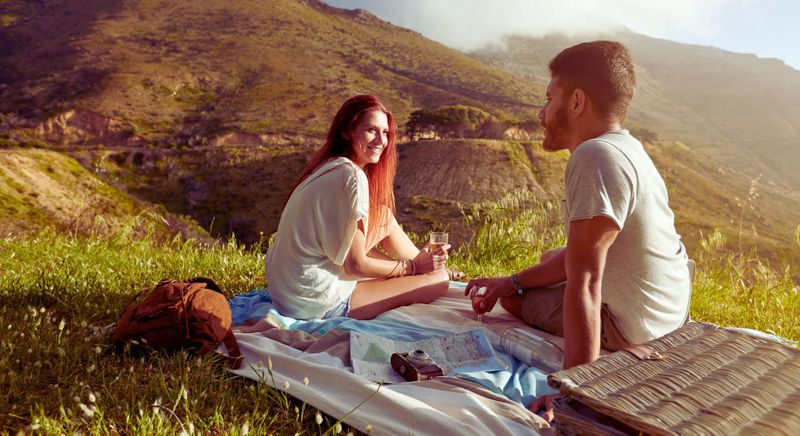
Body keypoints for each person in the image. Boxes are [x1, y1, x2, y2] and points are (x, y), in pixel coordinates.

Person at [467, 41, 691, 412]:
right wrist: (512, 277)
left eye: (548, 97)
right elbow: (579, 256)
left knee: (516, 300)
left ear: (575, 102)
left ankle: (599, 351)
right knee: (551, 258)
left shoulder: (594, 156)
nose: (541, 113)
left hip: (637, 327)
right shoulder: (627, 148)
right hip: (669, 310)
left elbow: (585, 279)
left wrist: (574, 393)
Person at [265, 95, 450, 321]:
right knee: (439, 281)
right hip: (314, 301)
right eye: (372, 130)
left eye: (386, 133)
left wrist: (411, 266)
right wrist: (409, 268)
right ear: (347, 131)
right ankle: (426, 269)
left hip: (287, 293)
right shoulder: (351, 176)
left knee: (381, 215)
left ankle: (426, 265)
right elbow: (355, 266)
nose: (381, 141)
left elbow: (350, 249)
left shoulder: (327, 167)